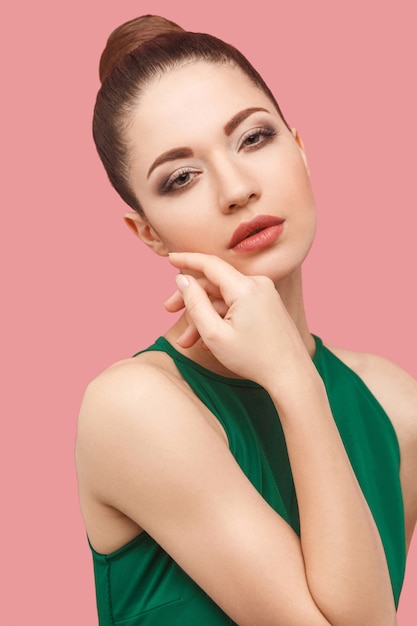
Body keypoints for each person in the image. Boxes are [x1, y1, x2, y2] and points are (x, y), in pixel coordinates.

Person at [76, 14, 417, 626]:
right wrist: (293, 381)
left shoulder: (395, 407)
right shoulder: (134, 408)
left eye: (254, 138)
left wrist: (294, 375)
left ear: (301, 149)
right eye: (181, 177)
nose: (236, 188)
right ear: (148, 232)